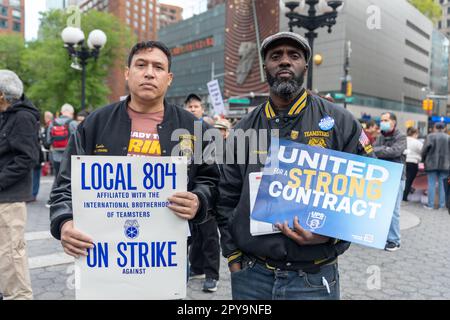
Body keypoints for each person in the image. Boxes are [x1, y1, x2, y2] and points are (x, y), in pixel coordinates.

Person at [216, 32, 375, 300]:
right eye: (276, 56)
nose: (285, 62)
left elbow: (366, 193)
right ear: (265, 66)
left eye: (294, 55)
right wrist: (233, 258)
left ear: (305, 66)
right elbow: (225, 198)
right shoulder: (242, 129)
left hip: (314, 277)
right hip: (252, 277)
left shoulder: (341, 122)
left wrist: (330, 235)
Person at [49, 40, 219, 281]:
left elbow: (211, 180)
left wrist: (199, 200)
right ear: (128, 73)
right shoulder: (95, 124)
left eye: (158, 67)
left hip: (166, 255)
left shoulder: (193, 128)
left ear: (169, 78)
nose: (149, 73)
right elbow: (65, 185)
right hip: (103, 252)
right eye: (141, 65)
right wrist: (64, 223)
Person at [0, 70, 40, 300]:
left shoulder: (22, 117)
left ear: (3, 95)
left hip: (10, 198)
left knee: (11, 255)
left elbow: (27, 158)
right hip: (4, 195)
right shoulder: (6, 114)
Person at [184, 93, 221, 293]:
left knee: (209, 236)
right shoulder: (179, 129)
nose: (192, 109)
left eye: (196, 106)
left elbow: (213, 166)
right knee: (192, 235)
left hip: (204, 192)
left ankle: (212, 276)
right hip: (183, 192)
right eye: (189, 106)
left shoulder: (208, 131)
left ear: (202, 109)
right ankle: (196, 268)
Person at [373, 112, 406, 252]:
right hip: (384, 177)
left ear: (394, 122)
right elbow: (372, 150)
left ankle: (394, 240)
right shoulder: (380, 137)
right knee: (382, 209)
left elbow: (395, 152)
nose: (383, 122)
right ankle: (383, 237)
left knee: (393, 211)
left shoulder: (401, 136)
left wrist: (381, 151)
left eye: (386, 120)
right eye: (381, 120)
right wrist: (383, 150)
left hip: (397, 177)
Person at [421, 122, 450, 210]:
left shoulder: (430, 136)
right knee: (442, 185)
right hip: (445, 164)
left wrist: (423, 160)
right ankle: (441, 205)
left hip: (431, 163)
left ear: (435, 127)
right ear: (445, 128)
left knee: (431, 184)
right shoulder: (448, 137)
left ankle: (430, 205)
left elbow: (424, 150)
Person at [46, 103, 78, 178]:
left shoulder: (53, 123)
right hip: (69, 155)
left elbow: (48, 140)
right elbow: (77, 139)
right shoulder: (73, 123)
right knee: (69, 178)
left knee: (57, 177)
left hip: (55, 155)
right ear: (71, 112)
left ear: (61, 112)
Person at [403, 127, 423, 201]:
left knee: (402, 179)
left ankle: (399, 195)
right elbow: (423, 151)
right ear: (415, 134)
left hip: (403, 161)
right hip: (413, 163)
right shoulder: (417, 142)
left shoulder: (403, 140)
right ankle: (404, 197)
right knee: (409, 180)